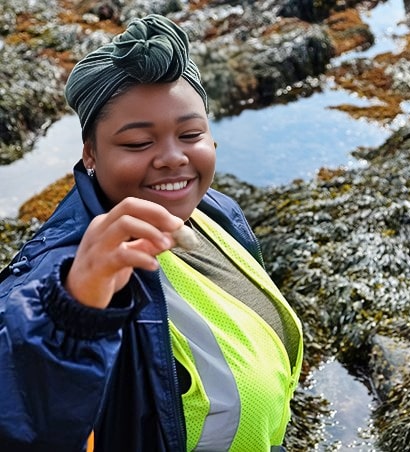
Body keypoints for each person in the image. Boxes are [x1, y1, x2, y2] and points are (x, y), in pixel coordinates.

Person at [0, 14, 303, 452]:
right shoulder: (62, 272)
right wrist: (74, 313)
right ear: (90, 153)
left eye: (191, 133)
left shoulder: (216, 211)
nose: (172, 158)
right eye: (139, 143)